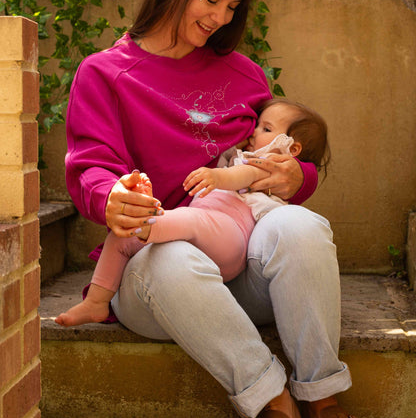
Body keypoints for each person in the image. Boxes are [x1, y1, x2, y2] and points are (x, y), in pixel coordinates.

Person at [64, 0, 378, 418]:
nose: (219, 18)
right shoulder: (106, 73)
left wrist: (293, 175)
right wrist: (109, 196)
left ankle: (325, 404)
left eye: (231, 6)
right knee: (172, 256)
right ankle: (275, 408)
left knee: (301, 226)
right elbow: (91, 164)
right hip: (160, 287)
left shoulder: (243, 73)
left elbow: (287, 162)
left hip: (243, 272)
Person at [56, 98, 330, 327]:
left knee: (178, 221)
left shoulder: (266, 165)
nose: (253, 132)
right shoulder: (241, 154)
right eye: (258, 125)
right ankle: (96, 301)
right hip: (206, 228)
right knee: (122, 236)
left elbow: (243, 175)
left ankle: (149, 222)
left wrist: (216, 177)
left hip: (229, 235)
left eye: (265, 128)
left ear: (291, 148)